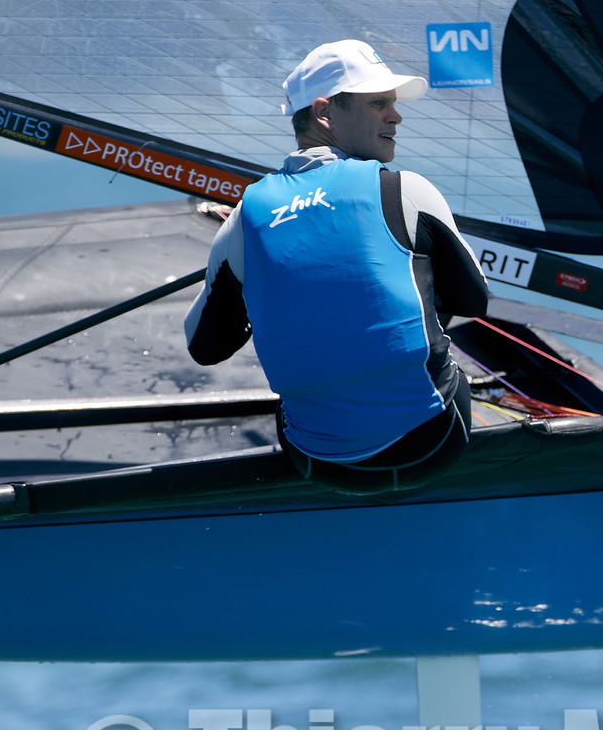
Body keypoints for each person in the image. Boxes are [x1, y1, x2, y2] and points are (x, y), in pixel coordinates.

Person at [184, 39, 489, 494]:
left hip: (319, 463)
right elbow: (473, 300)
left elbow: (206, 347)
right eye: (379, 103)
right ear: (325, 113)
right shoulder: (405, 189)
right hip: (434, 442)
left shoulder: (245, 218)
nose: (396, 116)